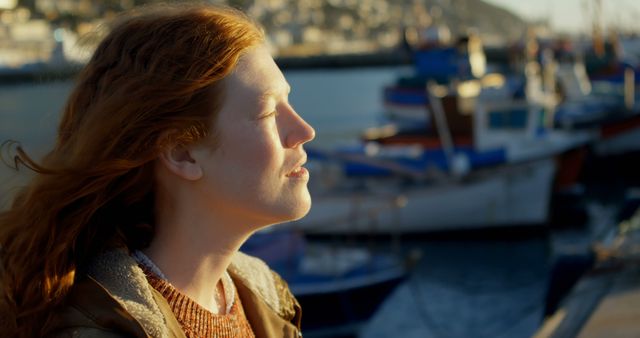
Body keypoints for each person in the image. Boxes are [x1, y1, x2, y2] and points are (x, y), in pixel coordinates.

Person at [0, 3, 315, 337]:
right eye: (268, 113)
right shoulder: (97, 328)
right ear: (181, 153)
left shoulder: (267, 300)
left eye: (289, 103)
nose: (305, 130)